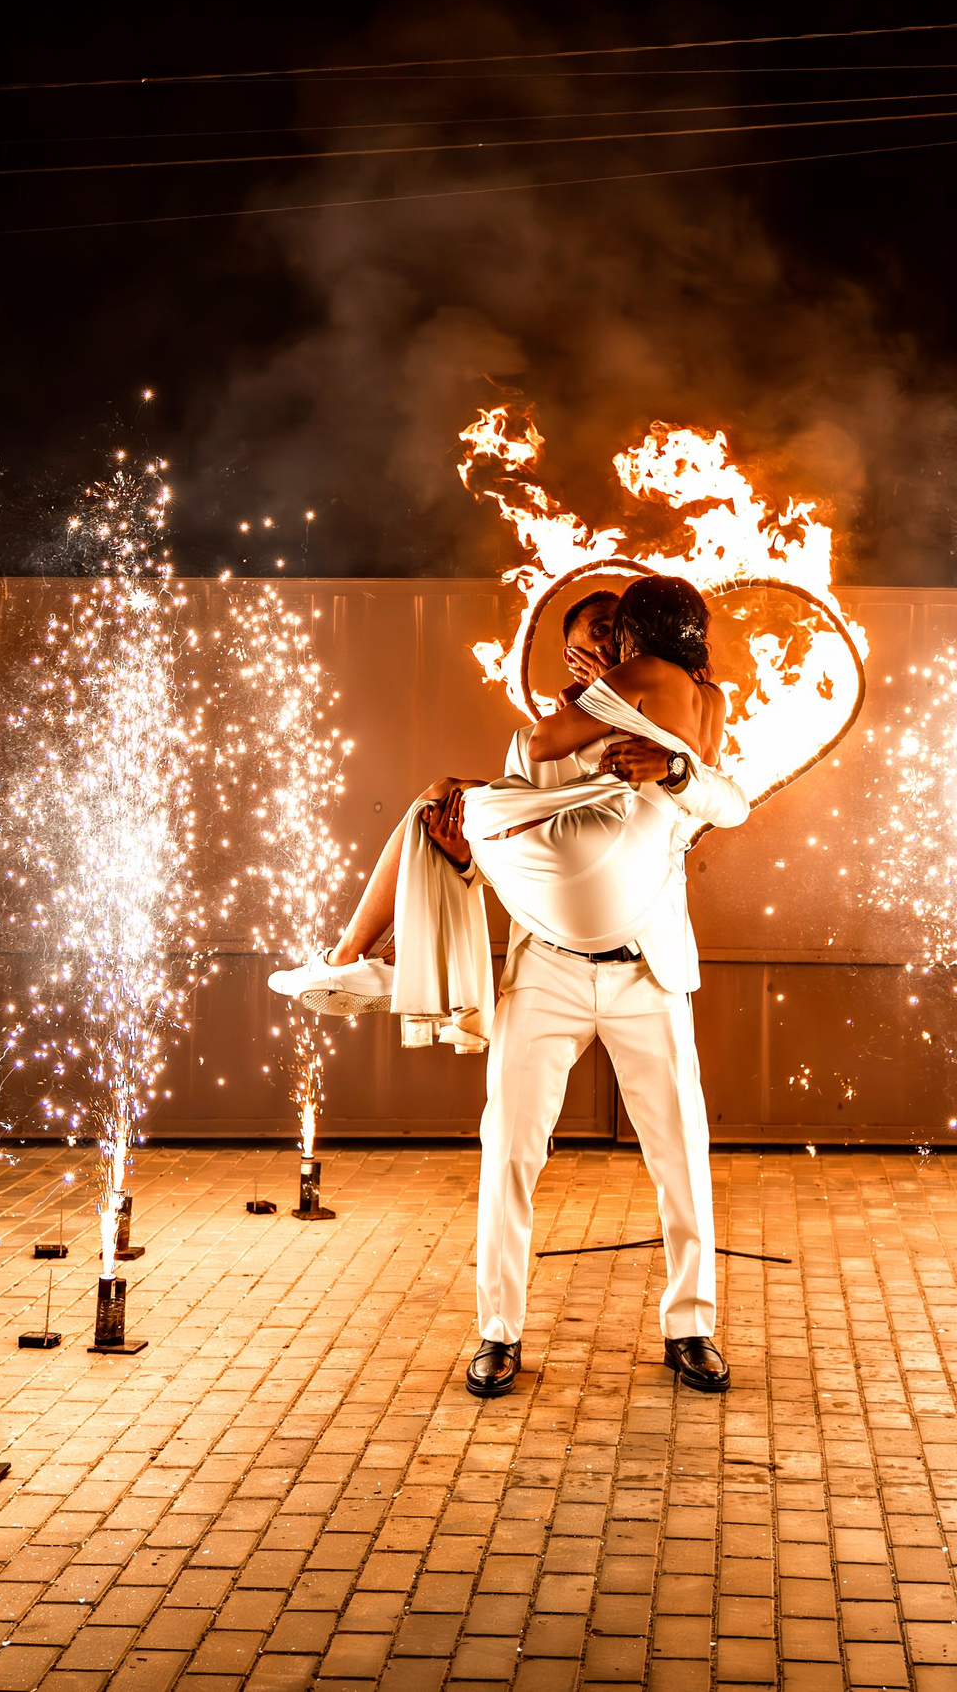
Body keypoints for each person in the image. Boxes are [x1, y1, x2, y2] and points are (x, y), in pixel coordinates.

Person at [269, 576, 749, 1397]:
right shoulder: (538, 745)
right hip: (548, 970)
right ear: (573, 652)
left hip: (649, 969)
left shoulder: (674, 717)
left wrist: (672, 767)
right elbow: (528, 852)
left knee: (681, 1155)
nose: (609, 646)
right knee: (509, 1152)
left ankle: (691, 1326)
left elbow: (728, 800)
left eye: (617, 631)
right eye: (594, 636)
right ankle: (499, 1332)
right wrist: (462, 858)